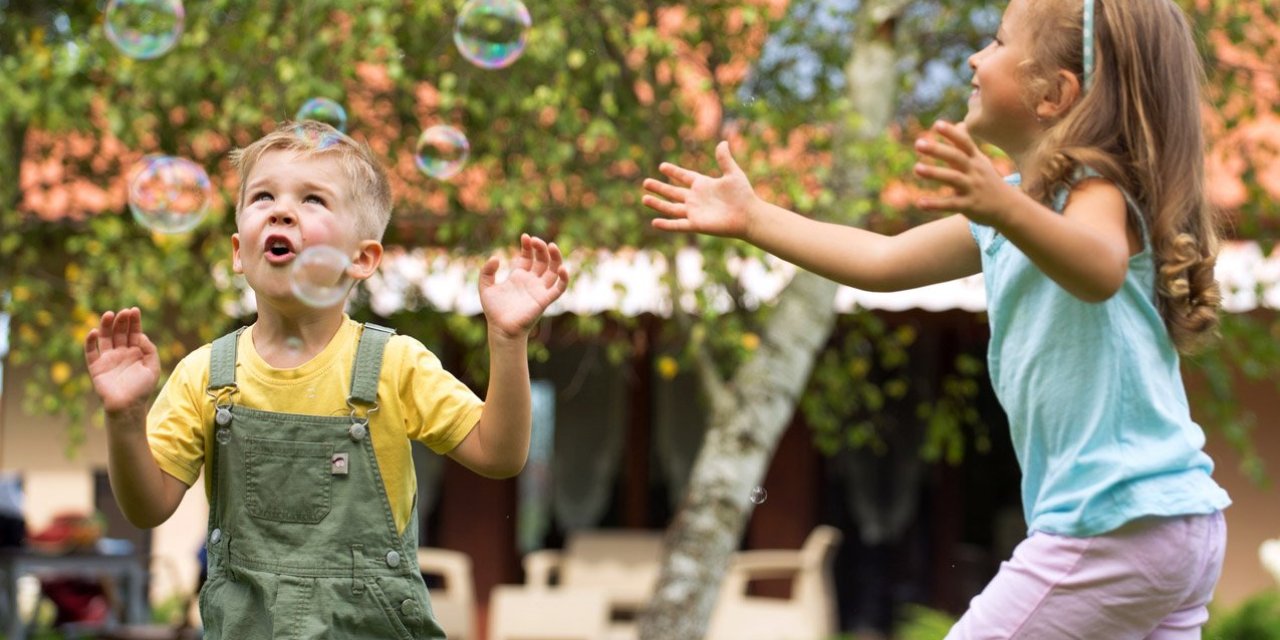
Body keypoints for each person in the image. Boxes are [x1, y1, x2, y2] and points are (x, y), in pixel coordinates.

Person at [642, 0, 1229, 637]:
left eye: (998, 42)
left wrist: (1004, 208)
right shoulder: (1007, 210)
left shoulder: (1095, 189)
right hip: (1169, 526)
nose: (976, 58)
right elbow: (882, 259)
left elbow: (1099, 268)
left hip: (1117, 522)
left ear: (1054, 94)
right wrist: (757, 219)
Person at [84, 120, 570, 639]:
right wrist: (125, 417)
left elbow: (499, 456)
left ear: (362, 258)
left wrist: (508, 340)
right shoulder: (205, 375)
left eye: (313, 200)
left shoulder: (394, 364)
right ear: (237, 252)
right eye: (263, 196)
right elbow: (145, 507)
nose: (282, 209)